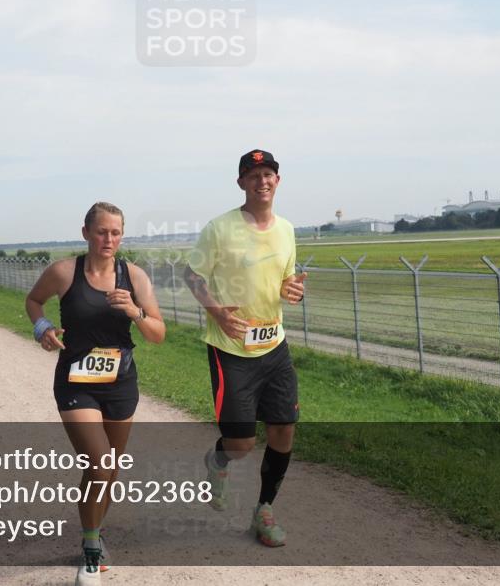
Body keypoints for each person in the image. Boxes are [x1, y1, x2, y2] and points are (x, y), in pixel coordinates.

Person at [25, 202, 165, 585]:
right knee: (100, 463)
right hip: (76, 382)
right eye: (101, 231)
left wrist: (135, 312)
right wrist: (42, 328)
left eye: (116, 232)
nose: (108, 239)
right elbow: (33, 301)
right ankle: (90, 548)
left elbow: (158, 333)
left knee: (108, 470)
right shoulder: (63, 272)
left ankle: (95, 530)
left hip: (120, 384)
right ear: (86, 232)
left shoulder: (134, 277)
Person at [183, 149, 307, 547]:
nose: (262, 180)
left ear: (278, 180)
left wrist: (295, 292)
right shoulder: (220, 229)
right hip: (231, 350)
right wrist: (217, 311)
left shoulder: (287, 229)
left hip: (274, 347)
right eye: (253, 175)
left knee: (283, 430)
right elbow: (192, 275)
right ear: (241, 182)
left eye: (269, 173)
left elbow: (288, 282)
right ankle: (218, 459)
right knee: (240, 445)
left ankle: (264, 510)